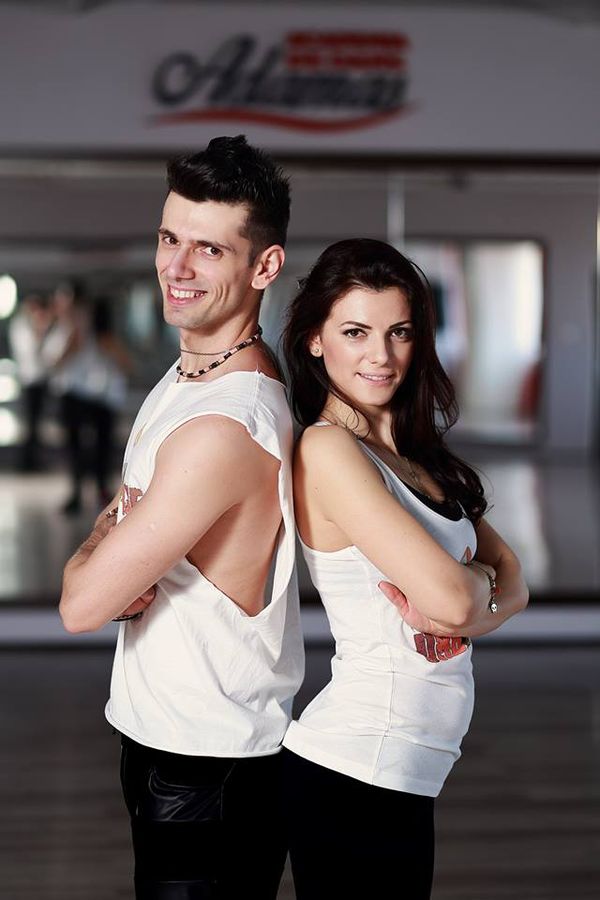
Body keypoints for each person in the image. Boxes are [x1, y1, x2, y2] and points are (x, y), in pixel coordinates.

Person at [59, 135, 304, 899]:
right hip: (168, 737)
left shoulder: (223, 425)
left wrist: (105, 552)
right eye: (170, 239)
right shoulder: (184, 378)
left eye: (209, 249)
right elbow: (116, 526)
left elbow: (81, 604)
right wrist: (112, 545)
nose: (177, 266)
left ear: (265, 266)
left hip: (208, 766)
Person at [281, 238, 529, 899]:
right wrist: (475, 597)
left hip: (406, 771)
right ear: (314, 340)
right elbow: (461, 597)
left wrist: (476, 602)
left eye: (400, 332)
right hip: (357, 766)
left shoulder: (418, 458)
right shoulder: (329, 449)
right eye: (355, 332)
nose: (381, 355)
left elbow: (514, 575)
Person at [8, 291, 54, 471]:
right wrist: (39, 331)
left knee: (36, 423)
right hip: (29, 379)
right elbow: (30, 352)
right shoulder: (22, 327)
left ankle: (33, 458)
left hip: (38, 379)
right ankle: (28, 460)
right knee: (30, 422)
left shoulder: (30, 326)